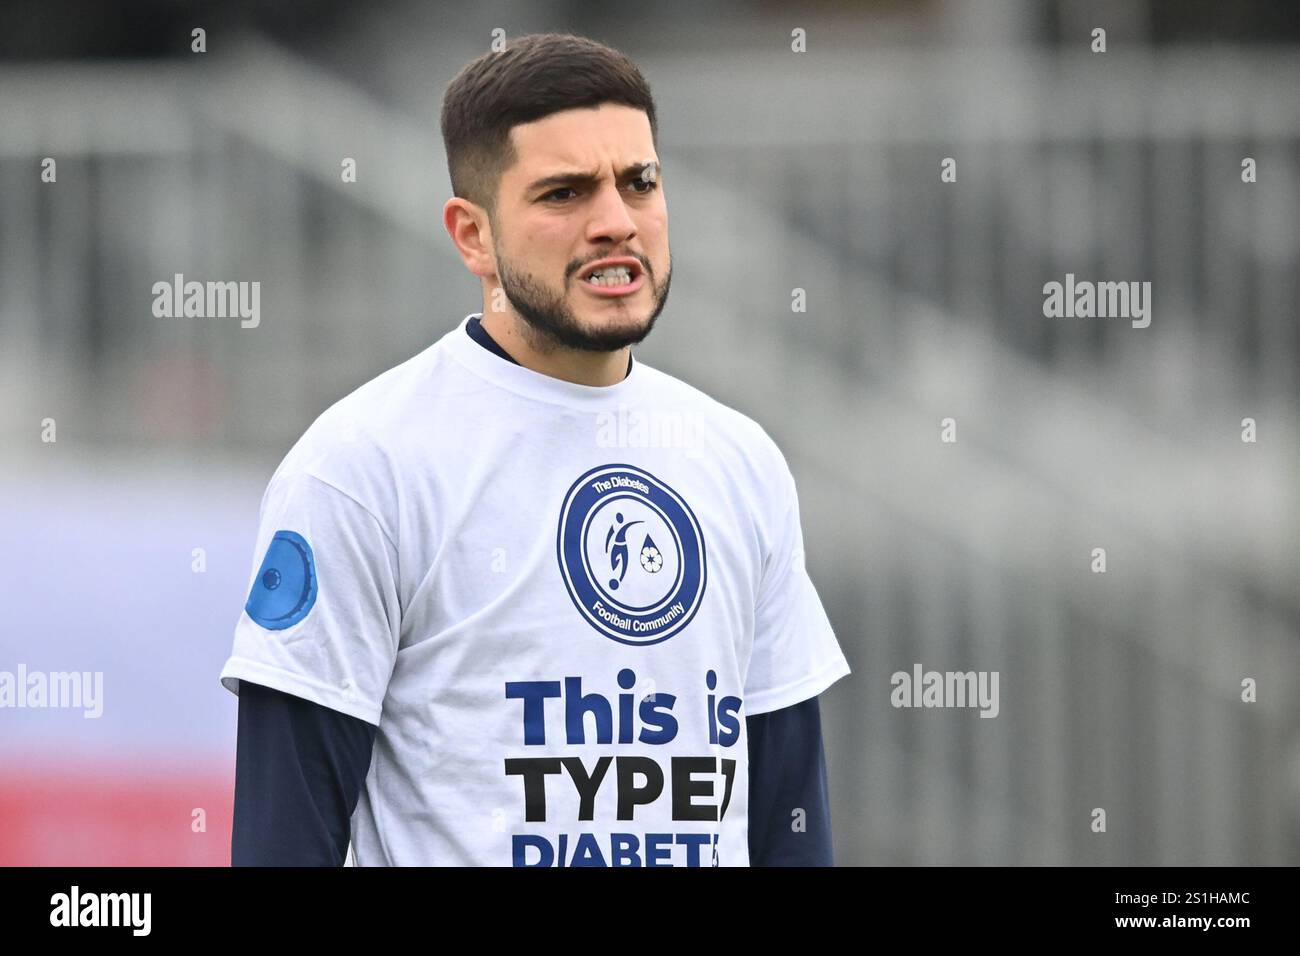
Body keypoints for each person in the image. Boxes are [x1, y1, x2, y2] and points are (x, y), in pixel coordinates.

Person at [221, 32, 850, 867]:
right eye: (565, 193)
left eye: (640, 182)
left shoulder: (740, 460)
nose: (615, 222)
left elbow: (788, 814)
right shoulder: (361, 466)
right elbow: (283, 833)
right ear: (472, 236)